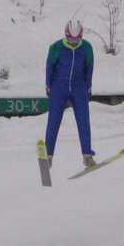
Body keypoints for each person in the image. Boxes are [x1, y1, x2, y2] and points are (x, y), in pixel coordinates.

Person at [44, 19, 96, 168]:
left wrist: (88, 86)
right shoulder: (56, 47)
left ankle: (87, 156)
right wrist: (48, 85)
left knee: (84, 121)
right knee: (53, 121)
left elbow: (89, 67)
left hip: (79, 87)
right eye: (71, 39)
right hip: (58, 87)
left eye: (77, 39)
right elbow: (49, 66)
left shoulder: (86, 48)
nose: (74, 42)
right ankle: (48, 156)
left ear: (81, 35)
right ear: (66, 35)